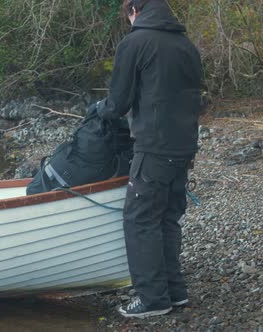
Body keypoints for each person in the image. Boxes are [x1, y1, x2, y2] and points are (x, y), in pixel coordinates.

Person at [96, 0, 202, 319]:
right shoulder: (187, 45)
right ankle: (174, 292)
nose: (128, 20)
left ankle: (152, 298)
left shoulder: (136, 42)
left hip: (155, 147)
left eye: (128, 13)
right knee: (167, 217)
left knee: (140, 220)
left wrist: (98, 110)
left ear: (135, 9)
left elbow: (118, 102)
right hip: (184, 146)